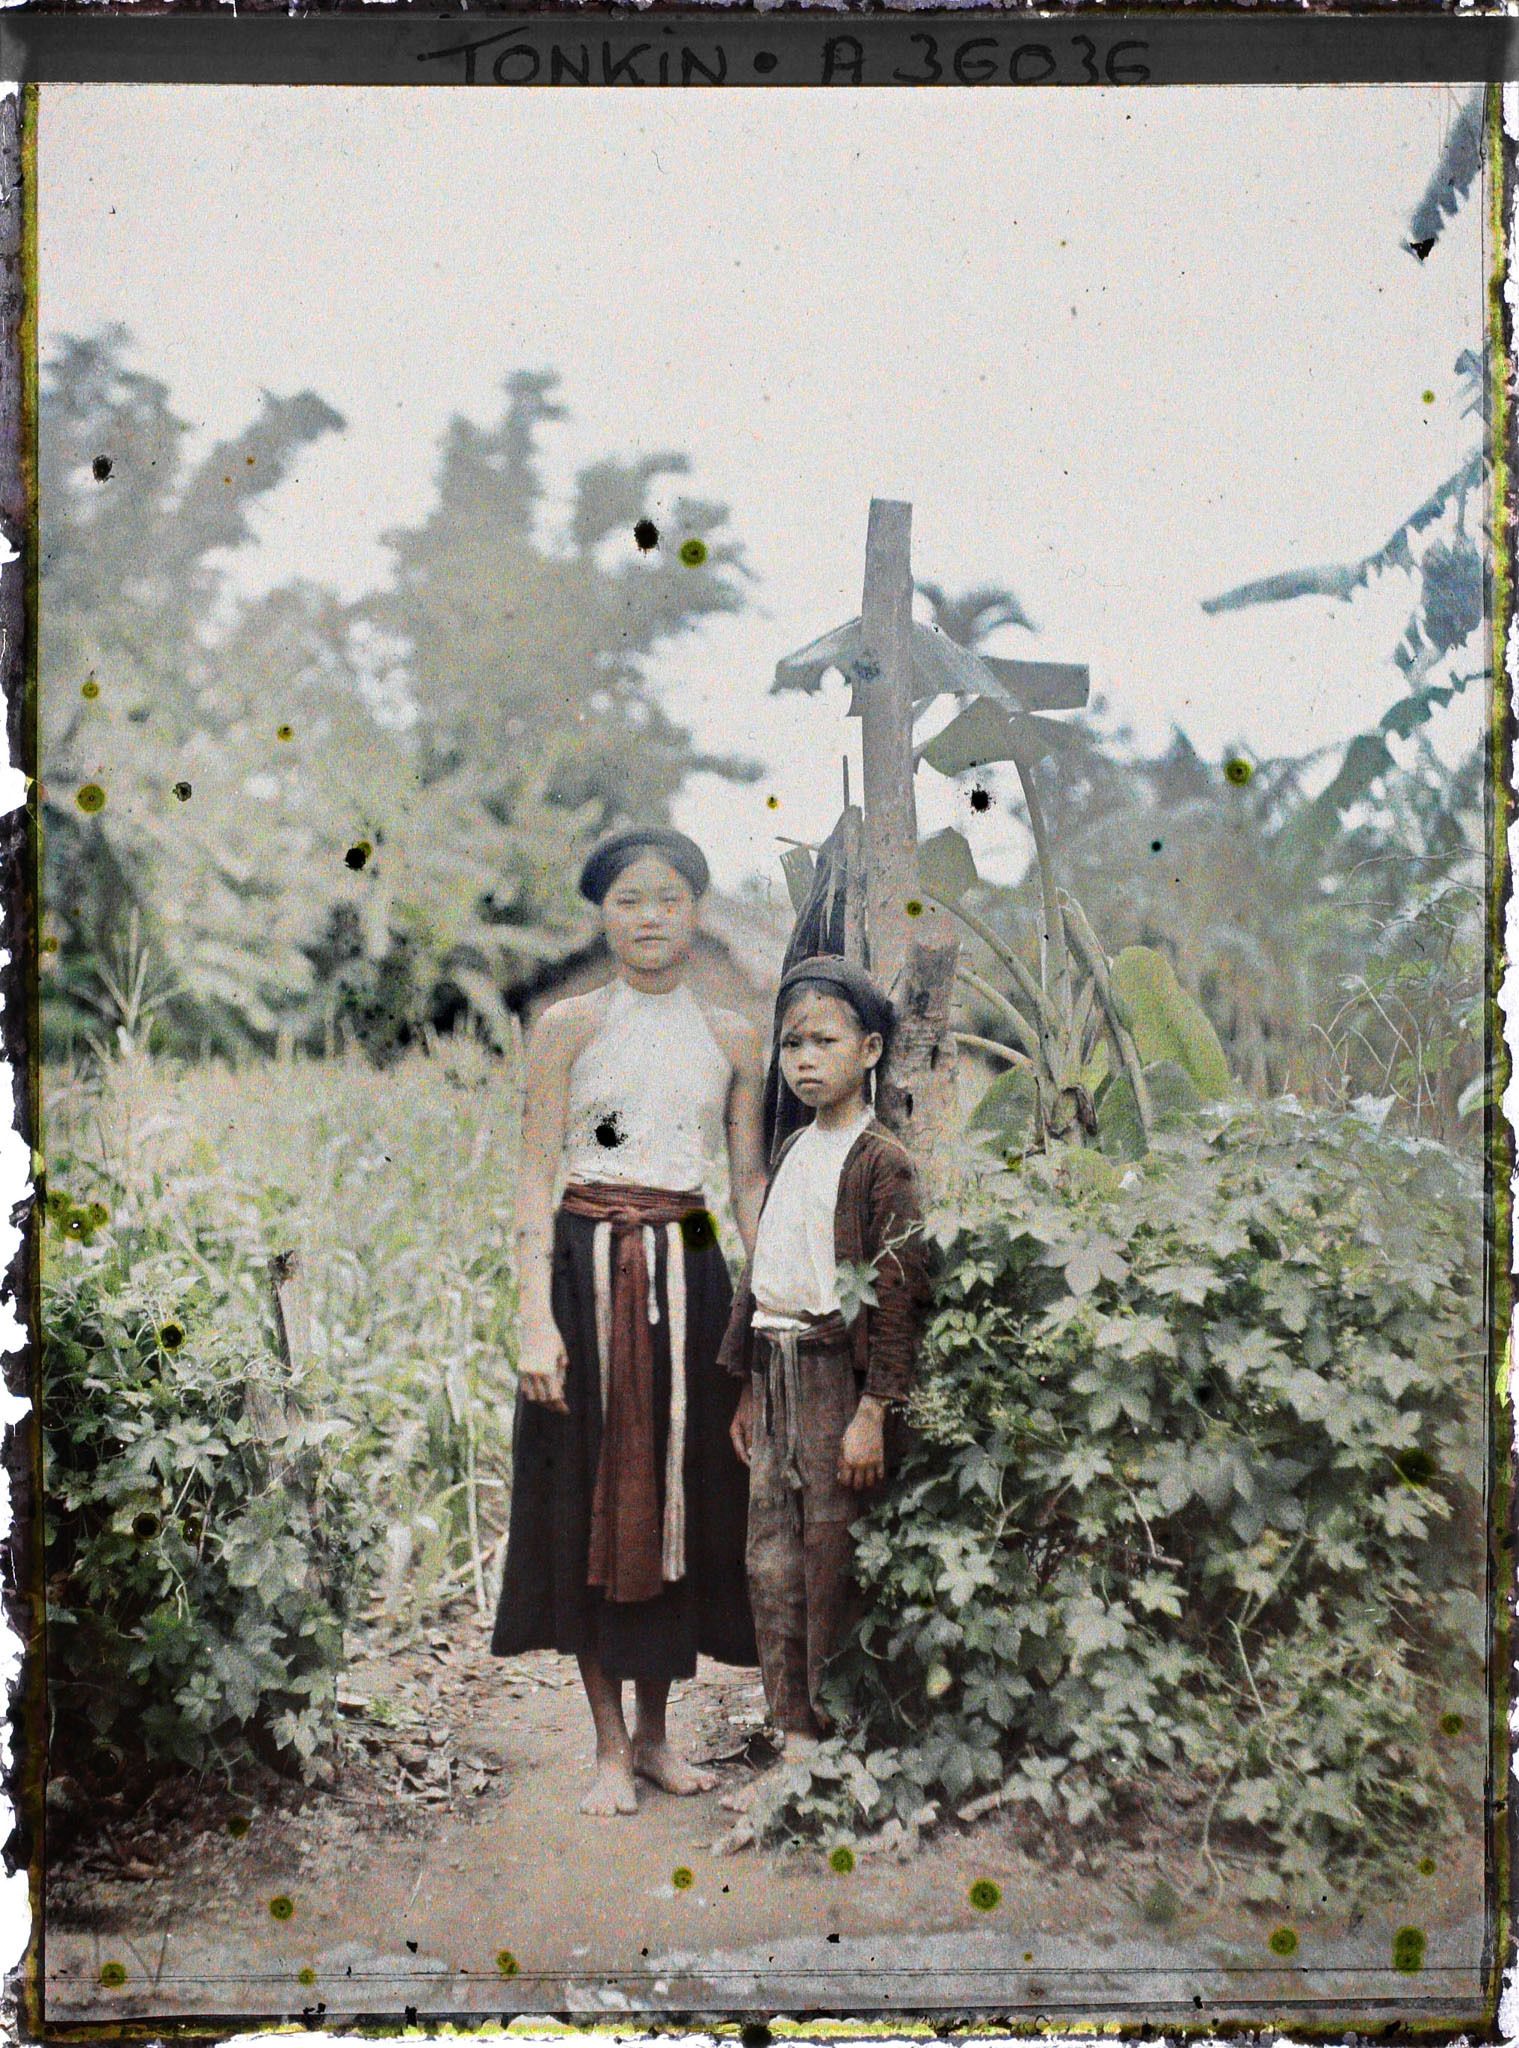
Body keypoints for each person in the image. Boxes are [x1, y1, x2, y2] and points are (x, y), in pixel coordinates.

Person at [491, 825, 767, 1818]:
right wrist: (532, 1313)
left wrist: (760, 1313)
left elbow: (744, 1182)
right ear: (601, 915)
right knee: (589, 1501)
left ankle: (657, 1739)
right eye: (627, 899)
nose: (650, 916)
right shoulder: (567, 1024)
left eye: (669, 897)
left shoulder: (733, 1035)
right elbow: (532, 1169)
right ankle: (606, 1747)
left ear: (696, 908)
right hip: (585, 1268)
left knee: (683, 1497)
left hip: (690, 1275)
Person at [716, 954, 930, 1825]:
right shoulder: (796, 1146)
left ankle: (839, 1735)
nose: (805, 1059)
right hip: (771, 1371)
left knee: (830, 1552)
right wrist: (741, 1388)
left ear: (870, 1048)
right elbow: (762, 1272)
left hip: (832, 1382)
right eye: (791, 1043)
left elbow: (899, 1293)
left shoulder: (881, 1162)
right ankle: (789, 1730)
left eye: (825, 1041)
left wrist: (873, 1410)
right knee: (770, 1554)